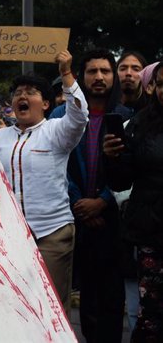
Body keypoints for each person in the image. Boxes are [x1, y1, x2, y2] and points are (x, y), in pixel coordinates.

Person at [0, 50, 87, 311]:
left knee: (51, 308)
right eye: (18, 92)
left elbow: (79, 117)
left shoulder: (57, 130)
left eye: (31, 92)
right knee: (13, 306)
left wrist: (66, 74)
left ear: (45, 104)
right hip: (9, 236)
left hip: (51, 233)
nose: (22, 96)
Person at [50, 48, 130, 343]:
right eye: (92, 71)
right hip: (74, 217)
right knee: (86, 300)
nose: (98, 77)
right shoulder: (61, 115)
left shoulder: (126, 116)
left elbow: (131, 169)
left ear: (114, 76)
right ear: (81, 77)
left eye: (105, 71)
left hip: (113, 219)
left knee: (112, 297)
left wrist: (103, 201)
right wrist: (79, 202)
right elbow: (55, 164)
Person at [103, 60, 163, 342]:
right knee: (151, 316)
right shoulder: (140, 123)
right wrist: (113, 158)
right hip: (152, 234)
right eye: (161, 84)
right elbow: (120, 182)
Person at [117, 50, 148, 115]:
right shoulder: (106, 107)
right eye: (123, 69)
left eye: (136, 69)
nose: (128, 73)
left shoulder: (153, 110)